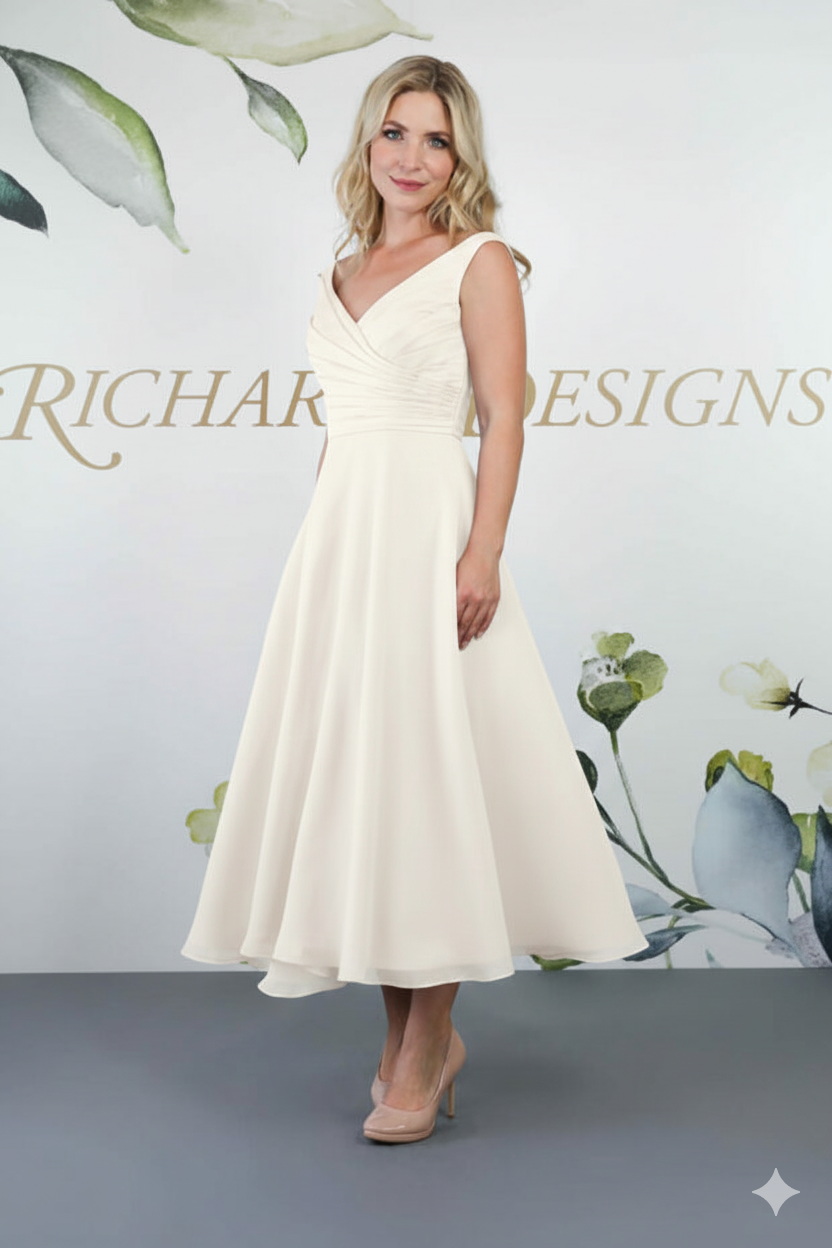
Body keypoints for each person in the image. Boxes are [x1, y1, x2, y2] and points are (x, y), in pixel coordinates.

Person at [180, 55, 648, 1145]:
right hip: (342, 547)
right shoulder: (338, 274)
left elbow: (503, 415)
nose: (412, 157)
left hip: (435, 541)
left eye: (436, 139)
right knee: (375, 787)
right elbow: (340, 438)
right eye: (395, 132)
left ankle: (425, 1042)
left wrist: (482, 552)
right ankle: (412, 1040)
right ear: (368, 141)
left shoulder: (479, 262)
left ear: (459, 157)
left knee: (434, 780)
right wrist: (319, 556)